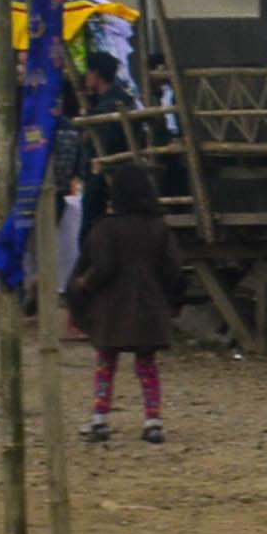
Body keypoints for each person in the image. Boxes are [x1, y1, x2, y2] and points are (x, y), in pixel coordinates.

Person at [65, 163, 180, 444]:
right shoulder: (158, 228)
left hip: (112, 309)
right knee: (147, 365)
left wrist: (81, 285)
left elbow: (102, 268)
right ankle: (153, 421)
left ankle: (100, 419)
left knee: (106, 363)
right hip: (149, 306)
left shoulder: (106, 228)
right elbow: (173, 270)